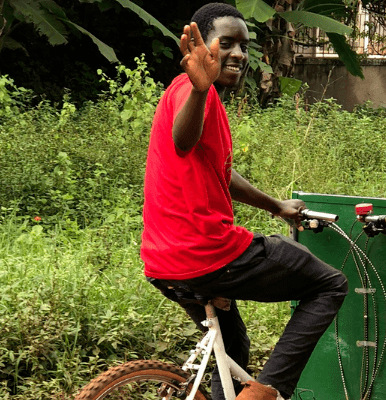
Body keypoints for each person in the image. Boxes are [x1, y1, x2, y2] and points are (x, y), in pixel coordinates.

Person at [140, 3, 348, 400]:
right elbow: (182, 141)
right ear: (201, 47)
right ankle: (266, 393)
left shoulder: (192, 96)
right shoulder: (192, 92)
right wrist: (201, 89)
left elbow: (220, 172)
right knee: (330, 284)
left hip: (162, 260)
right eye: (227, 42)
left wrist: (276, 206)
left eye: (245, 45)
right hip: (208, 251)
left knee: (232, 350)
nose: (238, 53)